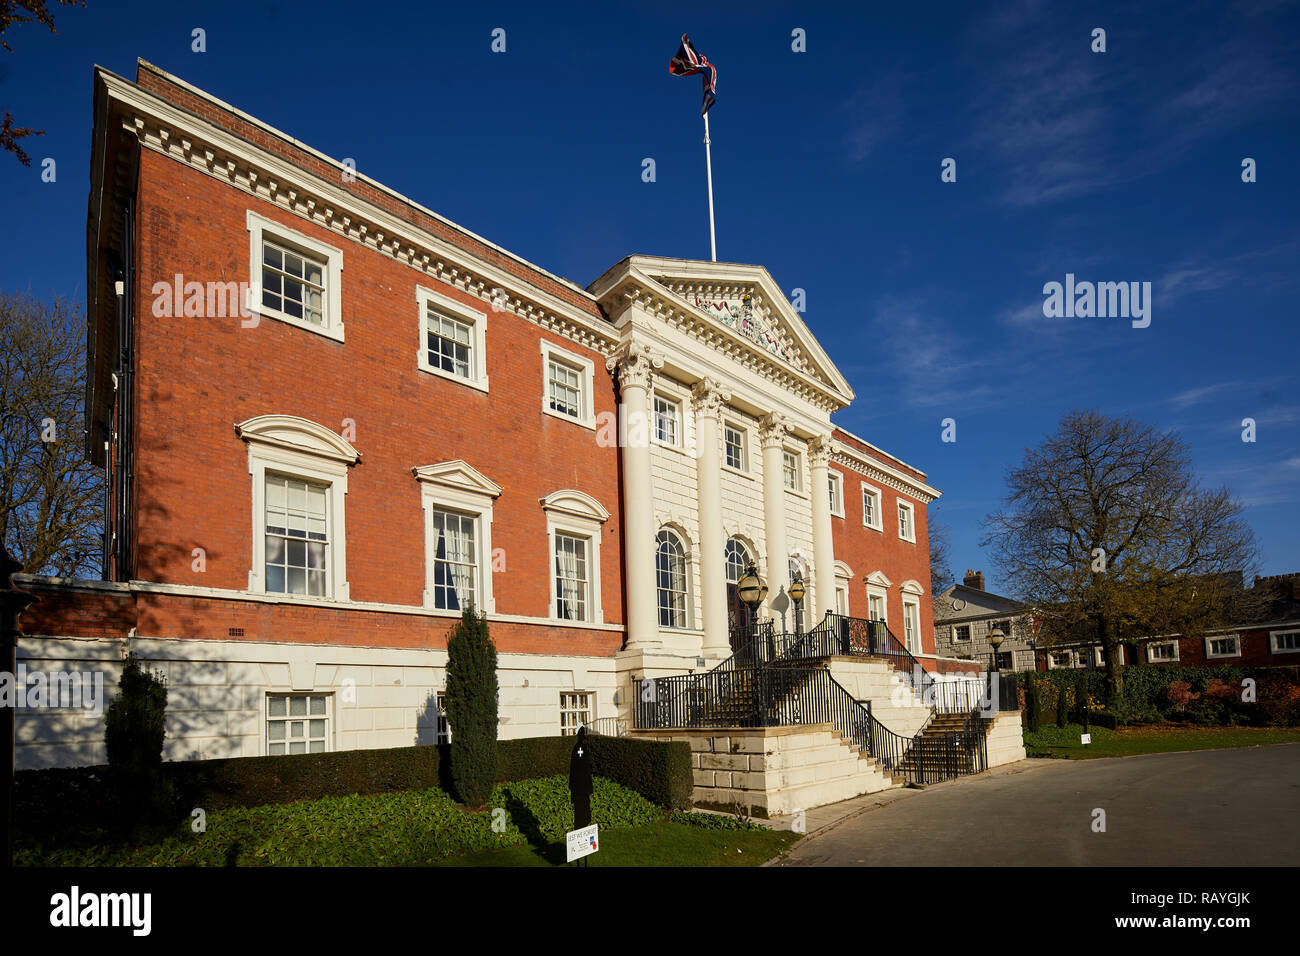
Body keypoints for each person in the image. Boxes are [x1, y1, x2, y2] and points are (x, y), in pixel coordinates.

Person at [568, 725, 593, 829]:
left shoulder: (576, 748)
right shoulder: (585, 748)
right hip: (583, 785)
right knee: (583, 807)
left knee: (580, 808)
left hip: (578, 785)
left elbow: (573, 767)